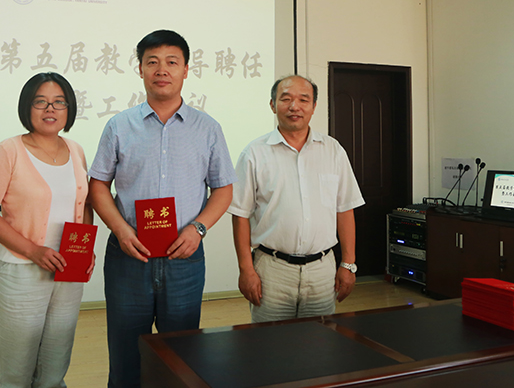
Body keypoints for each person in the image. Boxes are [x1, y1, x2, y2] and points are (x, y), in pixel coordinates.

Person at [89, 29, 235, 388]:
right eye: (152, 62)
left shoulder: (208, 128)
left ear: (186, 70)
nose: (162, 70)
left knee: (180, 358)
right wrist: (121, 229)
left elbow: (223, 188)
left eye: (172, 62)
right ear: (140, 69)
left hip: (183, 257)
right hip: (128, 256)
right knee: (126, 356)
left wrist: (198, 229)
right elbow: (98, 185)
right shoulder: (119, 125)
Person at [0, 72, 94, 388]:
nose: (50, 109)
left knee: (56, 361)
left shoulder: (76, 150)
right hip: (21, 271)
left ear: (69, 109)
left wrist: (85, 248)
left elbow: (85, 203)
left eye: (59, 102)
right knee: (18, 368)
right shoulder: (8, 151)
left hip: (68, 271)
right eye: (40, 102)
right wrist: (34, 251)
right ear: (27, 107)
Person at [228, 75, 364, 323]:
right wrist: (246, 270)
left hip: (322, 270)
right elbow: (240, 215)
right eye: (286, 99)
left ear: (314, 106)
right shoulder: (254, 153)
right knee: (271, 342)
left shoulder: (333, 150)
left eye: (303, 100)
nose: (294, 106)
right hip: (272, 270)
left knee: (319, 340)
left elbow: (345, 209)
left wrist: (348, 264)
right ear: (273, 105)